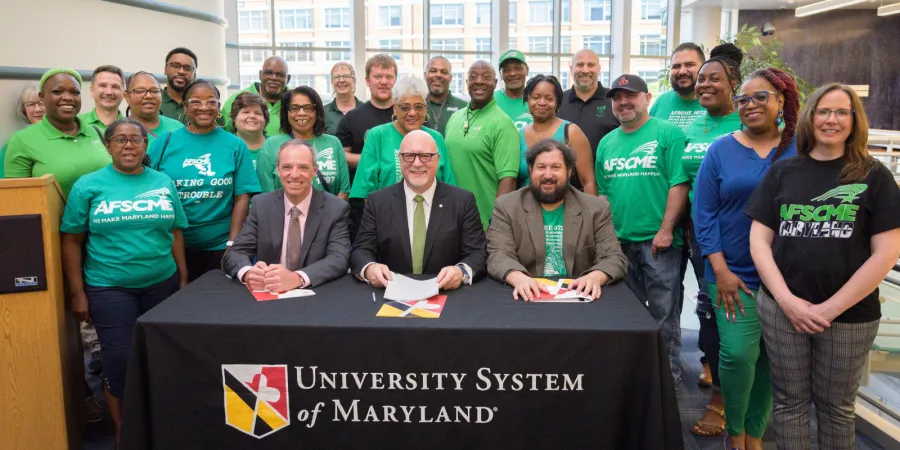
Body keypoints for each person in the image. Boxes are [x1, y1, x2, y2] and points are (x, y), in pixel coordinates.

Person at [746, 83, 900, 450]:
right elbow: (759, 241)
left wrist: (830, 308)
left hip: (848, 316)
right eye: (824, 111)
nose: (832, 119)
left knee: (836, 408)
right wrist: (787, 301)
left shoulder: (874, 176)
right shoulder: (783, 173)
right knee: (789, 403)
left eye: (841, 112)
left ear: (854, 120)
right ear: (810, 117)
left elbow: (886, 252)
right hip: (783, 309)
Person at [60, 118, 188, 443]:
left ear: (146, 146)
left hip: (162, 283)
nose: (128, 145)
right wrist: (77, 293)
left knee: (161, 357)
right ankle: (124, 432)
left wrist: (183, 277)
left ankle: (159, 424)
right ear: (108, 146)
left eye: (135, 139)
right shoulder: (87, 185)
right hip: (109, 287)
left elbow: (174, 231)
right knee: (119, 360)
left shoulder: (163, 181)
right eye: (120, 140)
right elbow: (71, 240)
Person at [695, 68, 801, 450]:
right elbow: (703, 214)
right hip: (732, 275)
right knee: (739, 355)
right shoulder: (720, 150)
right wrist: (719, 270)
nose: (750, 105)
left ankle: (754, 435)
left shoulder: (799, 149)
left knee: (772, 362)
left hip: (788, 279)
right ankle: (734, 430)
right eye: (743, 99)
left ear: (780, 102)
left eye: (761, 97)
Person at [594, 74, 689, 386]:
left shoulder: (668, 133)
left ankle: (667, 381)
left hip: (658, 243)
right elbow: (603, 195)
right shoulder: (607, 143)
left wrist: (666, 230)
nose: (623, 102)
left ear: (647, 98)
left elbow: (679, 183)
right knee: (625, 314)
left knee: (664, 316)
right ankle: (632, 378)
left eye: (631, 95)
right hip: (620, 244)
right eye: (617, 97)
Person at [680, 43, 746, 439]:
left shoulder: (747, 122)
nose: (704, 84)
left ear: (734, 83)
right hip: (699, 235)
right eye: (701, 79)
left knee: (733, 320)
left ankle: (729, 404)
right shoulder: (692, 126)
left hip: (740, 238)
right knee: (708, 317)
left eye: (714, 79)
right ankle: (718, 392)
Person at [148, 79, 261, 281]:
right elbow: (146, 185)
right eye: (196, 102)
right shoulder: (165, 142)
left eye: (211, 102)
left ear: (219, 106)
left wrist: (232, 244)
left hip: (219, 245)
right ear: (185, 106)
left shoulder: (235, 145)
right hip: (170, 245)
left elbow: (242, 197)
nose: (204, 108)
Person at [487, 139, 626, 300]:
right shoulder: (507, 206)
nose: (548, 175)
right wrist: (518, 278)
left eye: (556, 167)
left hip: (578, 294)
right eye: (541, 167)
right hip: (527, 295)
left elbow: (614, 257)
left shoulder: (596, 209)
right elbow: (498, 255)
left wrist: (595, 277)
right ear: (531, 170)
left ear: (569, 172)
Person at [351, 130, 485, 289]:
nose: (417, 163)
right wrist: (370, 269)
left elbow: (477, 253)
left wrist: (460, 271)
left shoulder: (462, 201)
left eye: (425, 156)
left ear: (438, 159)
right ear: (400, 159)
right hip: (390, 296)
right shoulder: (378, 201)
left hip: (447, 298)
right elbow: (361, 251)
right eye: (409, 156)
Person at [223, 140, 351, 290]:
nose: (294, 175)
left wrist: (297, 278)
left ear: (314, 170)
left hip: (316, 293)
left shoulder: (336, 208)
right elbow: (236, 252)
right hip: (270, 294)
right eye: (287, 167)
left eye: (303, 167)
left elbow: (339, 258)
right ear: (278, 170)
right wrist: (248, 273)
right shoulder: (261, 204)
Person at [4, 68, 110, 198]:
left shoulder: (98, 132)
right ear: (42, 97)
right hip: (57, 218)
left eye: (75, 92)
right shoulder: (22, 140)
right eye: (57, 91)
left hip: (107, 216)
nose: (68, 97)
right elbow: (17, 199)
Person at [349, 76, 455, 202]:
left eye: (418, 107)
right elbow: (365, 191)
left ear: (425, 109)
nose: (412, 113)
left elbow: (449, 188)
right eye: (405, 107)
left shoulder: (436, 138)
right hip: (386, 215)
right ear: (395, 108)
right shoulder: (377, 136)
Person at [444, 61, 520, 229]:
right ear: (466, 83)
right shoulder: (455, 118)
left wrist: (495, 226)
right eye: (473, 77)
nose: (479, 81)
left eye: (486, 77)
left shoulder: (503, 124)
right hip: (450, 221)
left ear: (495, 83)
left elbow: (508, 180)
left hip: (483, 224)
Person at [257, 86, 350, 199]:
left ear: (317, 111)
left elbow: (344, 191)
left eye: (308, 108)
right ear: (286, 112)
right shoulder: (271, 145)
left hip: (329, 215)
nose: (301, 113)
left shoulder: (333, 143)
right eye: (294, 108)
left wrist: (330, 216)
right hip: (283, 215)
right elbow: (267, 196)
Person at [518, 75, 596, 195]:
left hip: (565, 208)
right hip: (525, 209)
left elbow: (588, 182)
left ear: (557, 102)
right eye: (536, 97)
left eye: (549, 99)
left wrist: (592, 213)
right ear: (528, 99)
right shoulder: (519, 135)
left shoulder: (571, 132)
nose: (542, 103)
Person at [335, 54, 397, 183]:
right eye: (377, 77)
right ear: (367, 81)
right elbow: (341, 156)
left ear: (395, 80)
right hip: (363, 194)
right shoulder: (351, 118)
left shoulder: (408, 114)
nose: (384, 82)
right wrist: (377, 160)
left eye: (389, 77)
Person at [557, 49, 620, 164]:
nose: (585, 70)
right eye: (580, 65)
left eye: (591, 65)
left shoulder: (614, 100)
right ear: (571, 69)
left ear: (599, 69)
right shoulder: (558, 101)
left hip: (606, 177)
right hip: (564, 177)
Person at [221, 56, 289, 136]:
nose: (274, 78)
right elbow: (224, 134)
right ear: (260, 75)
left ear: (288, 78)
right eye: (268, 73)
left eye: (280, 75)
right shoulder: (236, 99)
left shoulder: (295, 100)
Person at [650, 43, 707, 133]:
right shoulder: (661, 102)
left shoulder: (715, 102)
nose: (682, 71)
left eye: (689, 65)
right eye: (676, 67)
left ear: (704, 67)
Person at [123, 71, 183, 148]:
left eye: (155, 91)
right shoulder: (118, 131)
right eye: (140, 91)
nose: (149, 96)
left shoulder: (177, 128)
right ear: (127, 96)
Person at [0, 83, 45, 177]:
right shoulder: (15, 143)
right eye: (31, 104)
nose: (37, 109)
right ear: (24, 109)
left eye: (41, 103)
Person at [424, 56, 468, 135]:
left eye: (444, 72)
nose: (438, 75)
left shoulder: (464, 107)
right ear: (425, 75)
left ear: (450, 78)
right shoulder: (416, 106)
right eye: (433, 71)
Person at [228, 92, 269, 169]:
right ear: (234, 117)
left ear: (265, 119)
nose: (252, 116)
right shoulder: (225, 146)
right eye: (245, 112)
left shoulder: (276, 146)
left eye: (258, 113)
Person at [78, 65, 125, 133]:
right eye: (103, 86)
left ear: (123, 93)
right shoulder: (76, 124)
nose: (109, 92)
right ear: (92, 90)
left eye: (115, 87)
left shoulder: (133, 128)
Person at [494, 49, 532, 130]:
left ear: (527, 70)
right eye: (506, 70)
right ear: (501, 74)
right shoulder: (492, 100)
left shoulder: (537, 100)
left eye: (518, 68)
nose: (512, 73)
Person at [159, 47, 198, 124]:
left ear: (194, 75)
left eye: (188, 68)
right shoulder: (154, 102)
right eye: (176, 66)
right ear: (165, 70)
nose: (181, 71)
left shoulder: (204, 106)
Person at [324, 62, 361, 136]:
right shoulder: (322, 112)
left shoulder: (365, 110)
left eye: (346, 76)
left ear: (354, 81)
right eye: (337, 77)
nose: (341, 80)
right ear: (332, 82)